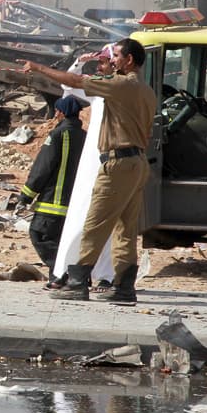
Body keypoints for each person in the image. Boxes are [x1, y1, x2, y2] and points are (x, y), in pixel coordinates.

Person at [21, 37, 156, 303]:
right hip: (137, 163)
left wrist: (37, 67)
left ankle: (77, 281)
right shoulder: (146, 90)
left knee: (94, 224)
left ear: (129, 60)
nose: (112, 60)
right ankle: (124, 288)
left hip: (117, 164)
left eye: (115, 56)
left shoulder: (119, 85)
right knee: (125, 230)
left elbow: (74, 83)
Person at [53, 45, 117, 291]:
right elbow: (69, 88)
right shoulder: (100, 88)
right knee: (80, 214)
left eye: (104, 62)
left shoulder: (123, 88)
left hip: (113, 159)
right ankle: (67, 270)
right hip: (92, 160)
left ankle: (106, 275)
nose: (99, 67)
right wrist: (79, 64)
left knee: (109, 221)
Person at [18, 95, 86, 286]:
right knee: (63, 241)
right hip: (76, 203)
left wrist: (26, 195)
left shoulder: (58, 135)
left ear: (62, 113)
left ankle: (65, 274)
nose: (55, 114)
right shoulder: (85, 136)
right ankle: (65, 278)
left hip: (54, 201)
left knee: (39, 235)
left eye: (57, 111)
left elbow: (43, 168)